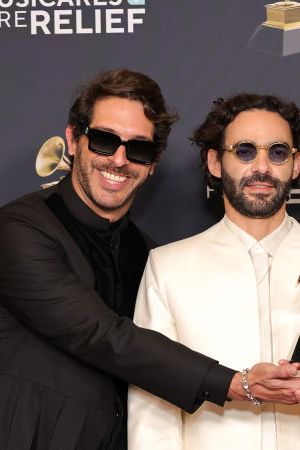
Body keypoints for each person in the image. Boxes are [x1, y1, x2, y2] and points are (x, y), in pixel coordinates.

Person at [0, 74, 299, 450]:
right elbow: (100, 334)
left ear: (153, 163)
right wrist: (237, 383)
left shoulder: (146, 252)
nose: (119, 159)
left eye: (139, 149)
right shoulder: (18, 228)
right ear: (74, 141)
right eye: (105, 140)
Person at [128, 93, 300, 450]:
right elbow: (153, 407)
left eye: (278, 152)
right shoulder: (168, 267)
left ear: (296, 165)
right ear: (215, 162)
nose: (263, 167)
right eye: (245, 151)